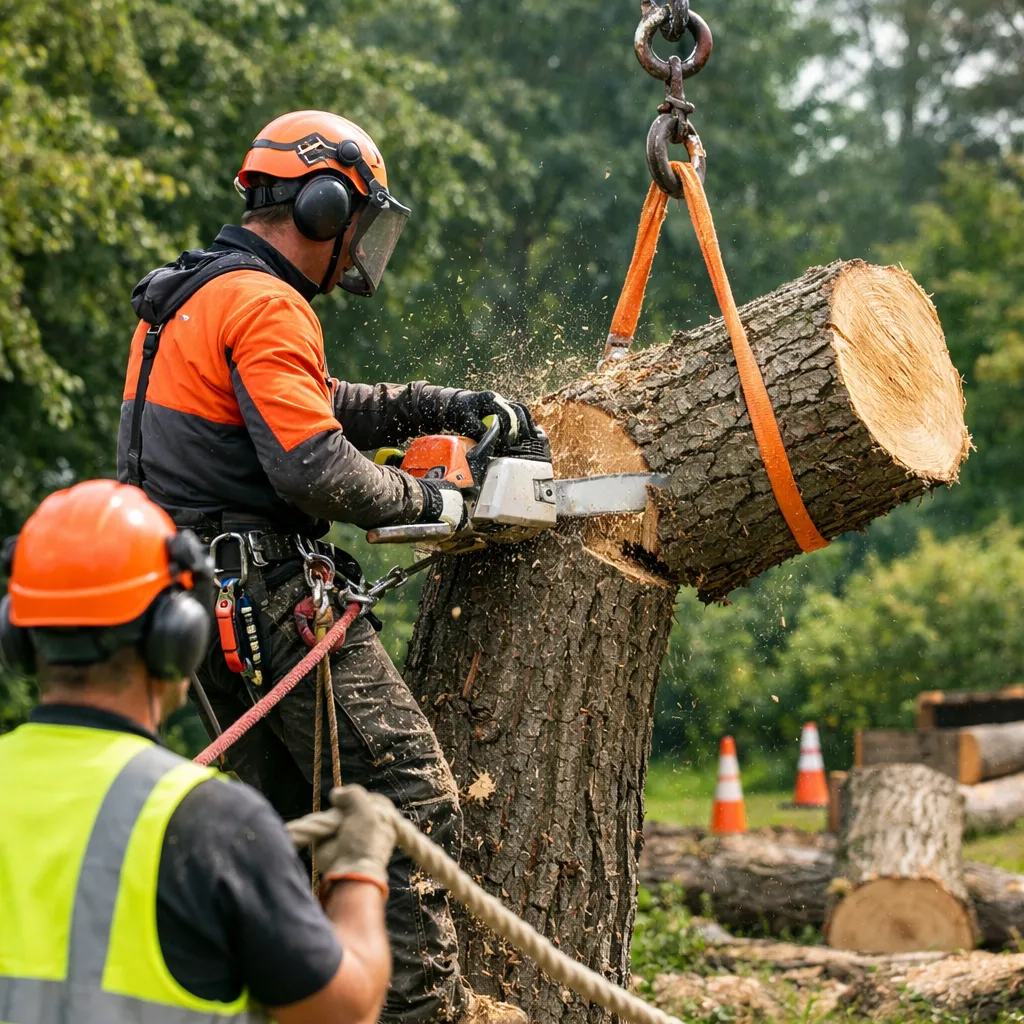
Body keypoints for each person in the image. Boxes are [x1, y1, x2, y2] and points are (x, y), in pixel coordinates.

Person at [116, 110, 529, 1024]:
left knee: (283, 831)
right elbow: (314, 465)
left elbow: (319, 401)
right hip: (262, 595)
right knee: (407, 797)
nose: (357, 247)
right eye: (358, 220)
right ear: (324, 205)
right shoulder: (266, 304)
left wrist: (441, 406)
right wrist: (431, 501)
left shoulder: (195, 295)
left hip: (198, 598)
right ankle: (416, 1013)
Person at [0, 479, 400, 1024]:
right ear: (178, 634)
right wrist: (358, 872)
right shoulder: (212, 823)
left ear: (19, 637)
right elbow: (344, 1010)